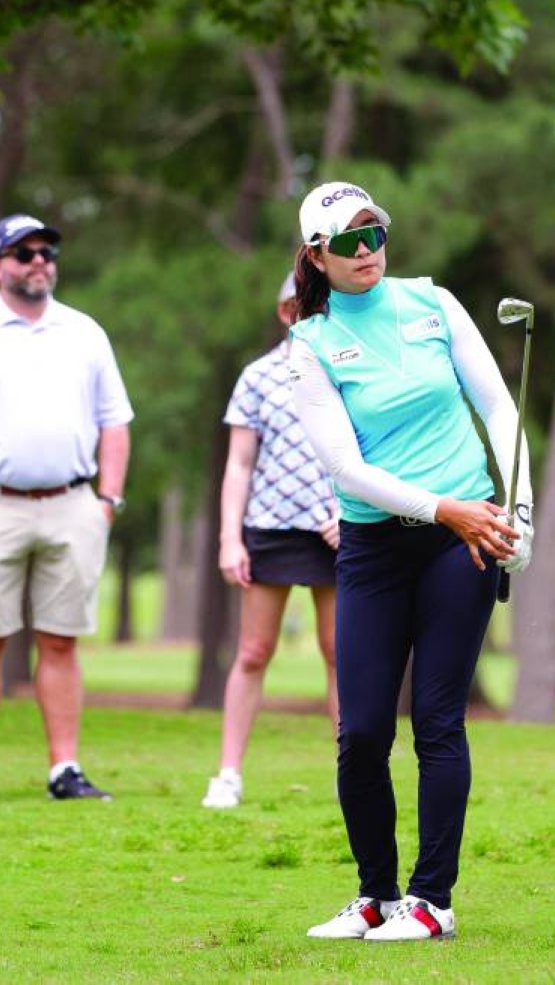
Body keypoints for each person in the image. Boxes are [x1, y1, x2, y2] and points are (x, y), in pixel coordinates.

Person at [289, 180, 534, 943]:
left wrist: (516, 509)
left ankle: (432, 901)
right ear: (317, 257)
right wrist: (445, 506)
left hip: (460, 541)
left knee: (435, 719)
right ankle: (375, 895)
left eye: (376, 234)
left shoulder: (433, 302)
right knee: (361, 729)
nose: (368, 252)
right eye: (350, 242)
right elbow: (347, 469)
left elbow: (498, 407)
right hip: (375, 546)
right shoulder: (311, 345)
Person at [0, 213, 133, 802]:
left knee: (60, 640)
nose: (39, 261)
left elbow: (115, 421)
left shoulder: (85, 332)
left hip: (72, 504)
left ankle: (64, 768)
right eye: (23, 252)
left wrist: (106, 499)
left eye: (46, 251)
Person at [202, 273, 340, 811]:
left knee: (341, 654)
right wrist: (228, 539)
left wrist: (355, 515)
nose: (307, 315)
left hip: (337, 528)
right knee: (254, 651)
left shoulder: (349, 371)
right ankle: (228, 773)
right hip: (271, 525)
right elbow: (239, 464)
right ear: (284, 312)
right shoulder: (258, 376)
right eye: (299, 306)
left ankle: (350, 772)